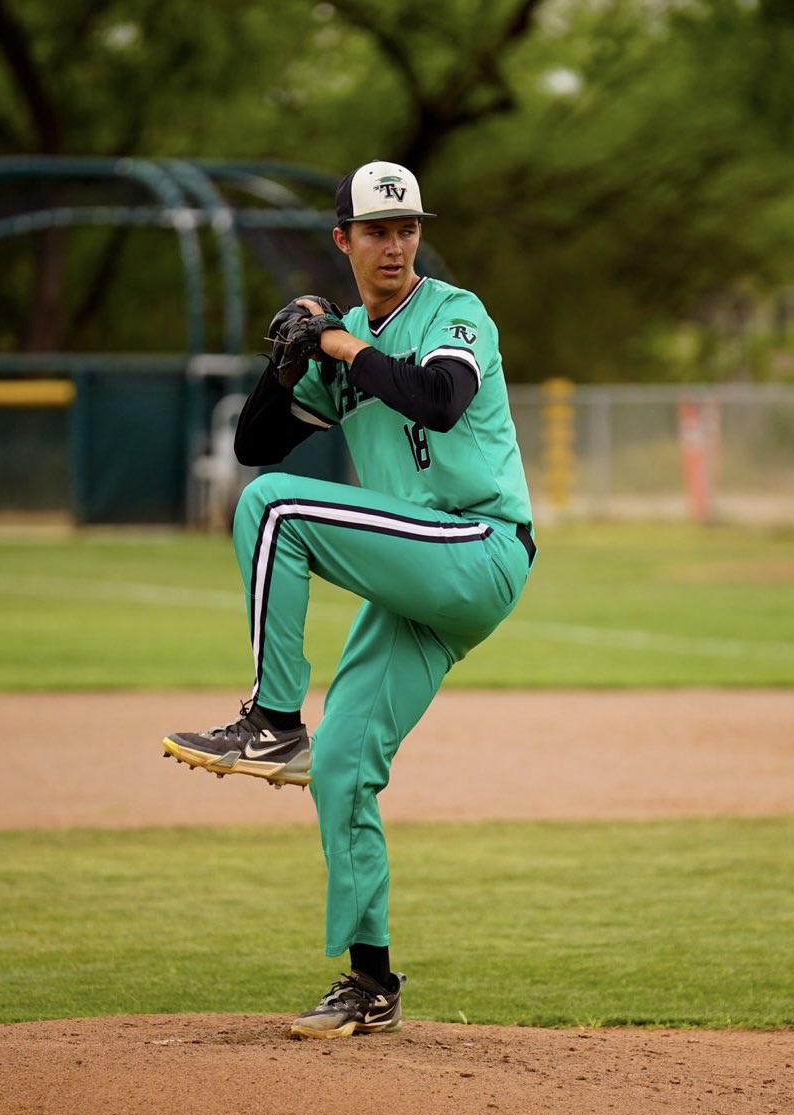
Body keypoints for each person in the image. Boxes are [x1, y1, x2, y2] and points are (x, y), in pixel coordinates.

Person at [163, 160, 536, 1039]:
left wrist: (335, 343)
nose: (396, 243)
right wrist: (287, 358)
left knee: (275, 511)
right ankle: (371, 980)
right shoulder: (347, 344)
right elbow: (259, 441)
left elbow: (440, 402)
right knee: (342, 767)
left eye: (406, 227)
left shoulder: (454, 313)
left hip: (478, 548)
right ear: (345, 241)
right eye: (376, 229)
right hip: (419, 576)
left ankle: (272, 716)